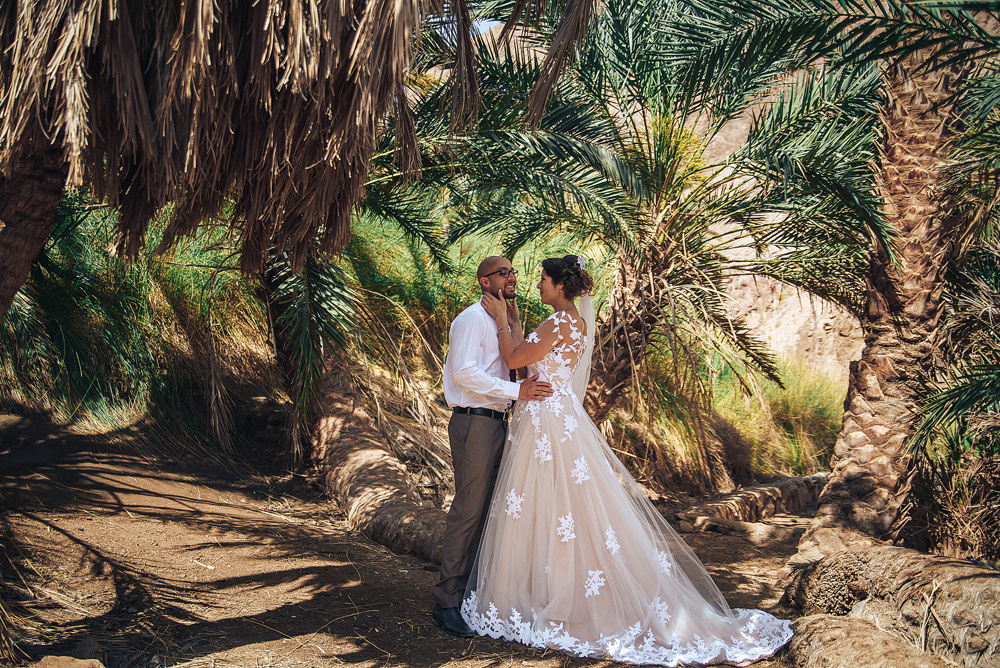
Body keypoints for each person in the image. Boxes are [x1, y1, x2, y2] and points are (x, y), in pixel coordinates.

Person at [462, 255, 793, 665]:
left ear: (560, 286)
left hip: (546, 421)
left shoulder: (557, 322)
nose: (538, 285)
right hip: (556, 415)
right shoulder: (576, 323)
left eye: (543, 279)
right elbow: (530, 359)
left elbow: (515, 361)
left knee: (550, 503)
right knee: (566, 506)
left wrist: (500, 321)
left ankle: (552, 593)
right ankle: (555, 585)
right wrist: (513, 322)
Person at [432, 255, 555, 637]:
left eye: (513, 271)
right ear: (484, 282)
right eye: (503, 273)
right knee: (468, 511)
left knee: (489, 511)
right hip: (475, 422)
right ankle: (446, 603)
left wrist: (512, 325)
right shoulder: (472, 319)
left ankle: (469, 594)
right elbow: (463, 373)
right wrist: (517, 391)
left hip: (500, 423)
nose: (512, 277)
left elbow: (518, 363)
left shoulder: (500, 320)